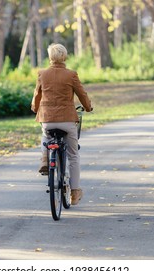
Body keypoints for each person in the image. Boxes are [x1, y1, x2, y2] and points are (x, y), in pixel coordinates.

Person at [31, 43, 92, 205]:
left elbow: (37, 96)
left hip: (48, 120)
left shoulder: (42, 74)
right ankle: (74, 192)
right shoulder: (71, 75)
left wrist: (35, 108)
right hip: (67, 120)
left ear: (50, 57)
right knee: (73, 155)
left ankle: (45, 159)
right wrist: (88, 107)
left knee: (45, 134)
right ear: (64, 57)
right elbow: (82, 94)